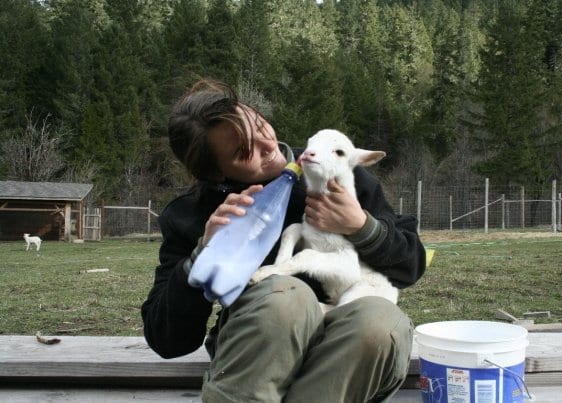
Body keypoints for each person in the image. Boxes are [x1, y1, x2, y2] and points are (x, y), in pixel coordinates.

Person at [141, 78, 426, 402]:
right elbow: (167, 339)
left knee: (379, 319)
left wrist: (361, 226)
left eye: (261, 126)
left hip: (346, 356)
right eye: (244, 151)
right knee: (287, 296)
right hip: (258, 358)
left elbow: (410, 265)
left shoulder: (334, 168)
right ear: (215, 174)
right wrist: (201, 257)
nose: (266, 146)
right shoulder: (193, 216)